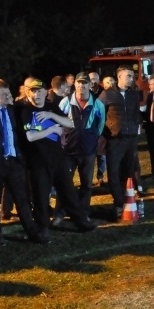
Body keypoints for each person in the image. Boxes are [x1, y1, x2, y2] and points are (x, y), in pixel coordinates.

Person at [0, 79, 48, 244]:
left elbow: (20, 132)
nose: (9, 97)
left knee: (22, 199)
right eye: (5, 94)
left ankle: (33, 232)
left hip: (14, 161)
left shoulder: (13, 110)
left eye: (9, 93)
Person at [17, 79, 96, 232]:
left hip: (58, 159)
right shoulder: (25, 111)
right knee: (40, 196)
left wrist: (50, 115)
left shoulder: (51, 107)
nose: (36, 94)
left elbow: (70, 122)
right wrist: (52, 129)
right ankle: (42, 228)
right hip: (38, 162)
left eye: (39, 91)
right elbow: (30, 137)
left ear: (45, 93)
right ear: (28, 92)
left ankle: (81, 222)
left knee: (68, 191)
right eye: (33, 91)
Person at [58, 72, 106, 217]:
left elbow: (100, 126)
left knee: (87, 184)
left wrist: (90, 138)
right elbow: (58, 122)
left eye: (84, 83)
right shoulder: (65, 102)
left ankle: (83, 212)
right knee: (65, 182)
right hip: (68, 150)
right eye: (79, 82)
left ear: (89, 85)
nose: (81, 86)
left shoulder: (97, 104)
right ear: (75, 84)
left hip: (88, 151)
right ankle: (61, 212)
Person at [99, 66, 141, 219]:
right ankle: (118, 203)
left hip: (131, 139)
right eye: (129, 76)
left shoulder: (134, 94)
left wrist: (137, 126)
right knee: (114, 173)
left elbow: (136, 113)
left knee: (129, 172)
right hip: (115, 140)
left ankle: (128, 200)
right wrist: (107, 132)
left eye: (132, 76)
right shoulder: (107, 94)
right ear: (120, 77)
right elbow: (98, 114)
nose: (131, 78)